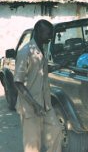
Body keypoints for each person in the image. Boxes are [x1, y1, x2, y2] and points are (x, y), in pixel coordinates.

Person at [14, 19, 62, 152]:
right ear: (37, 32)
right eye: (48, 35)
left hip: (46, 105)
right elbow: (18, 82)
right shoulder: (25, 52)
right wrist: (34, 105)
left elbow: (41, 71)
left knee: (56, 132)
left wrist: (60, 66)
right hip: (30, 106)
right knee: (33, 145)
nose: (50, 38)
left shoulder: (43, 48)